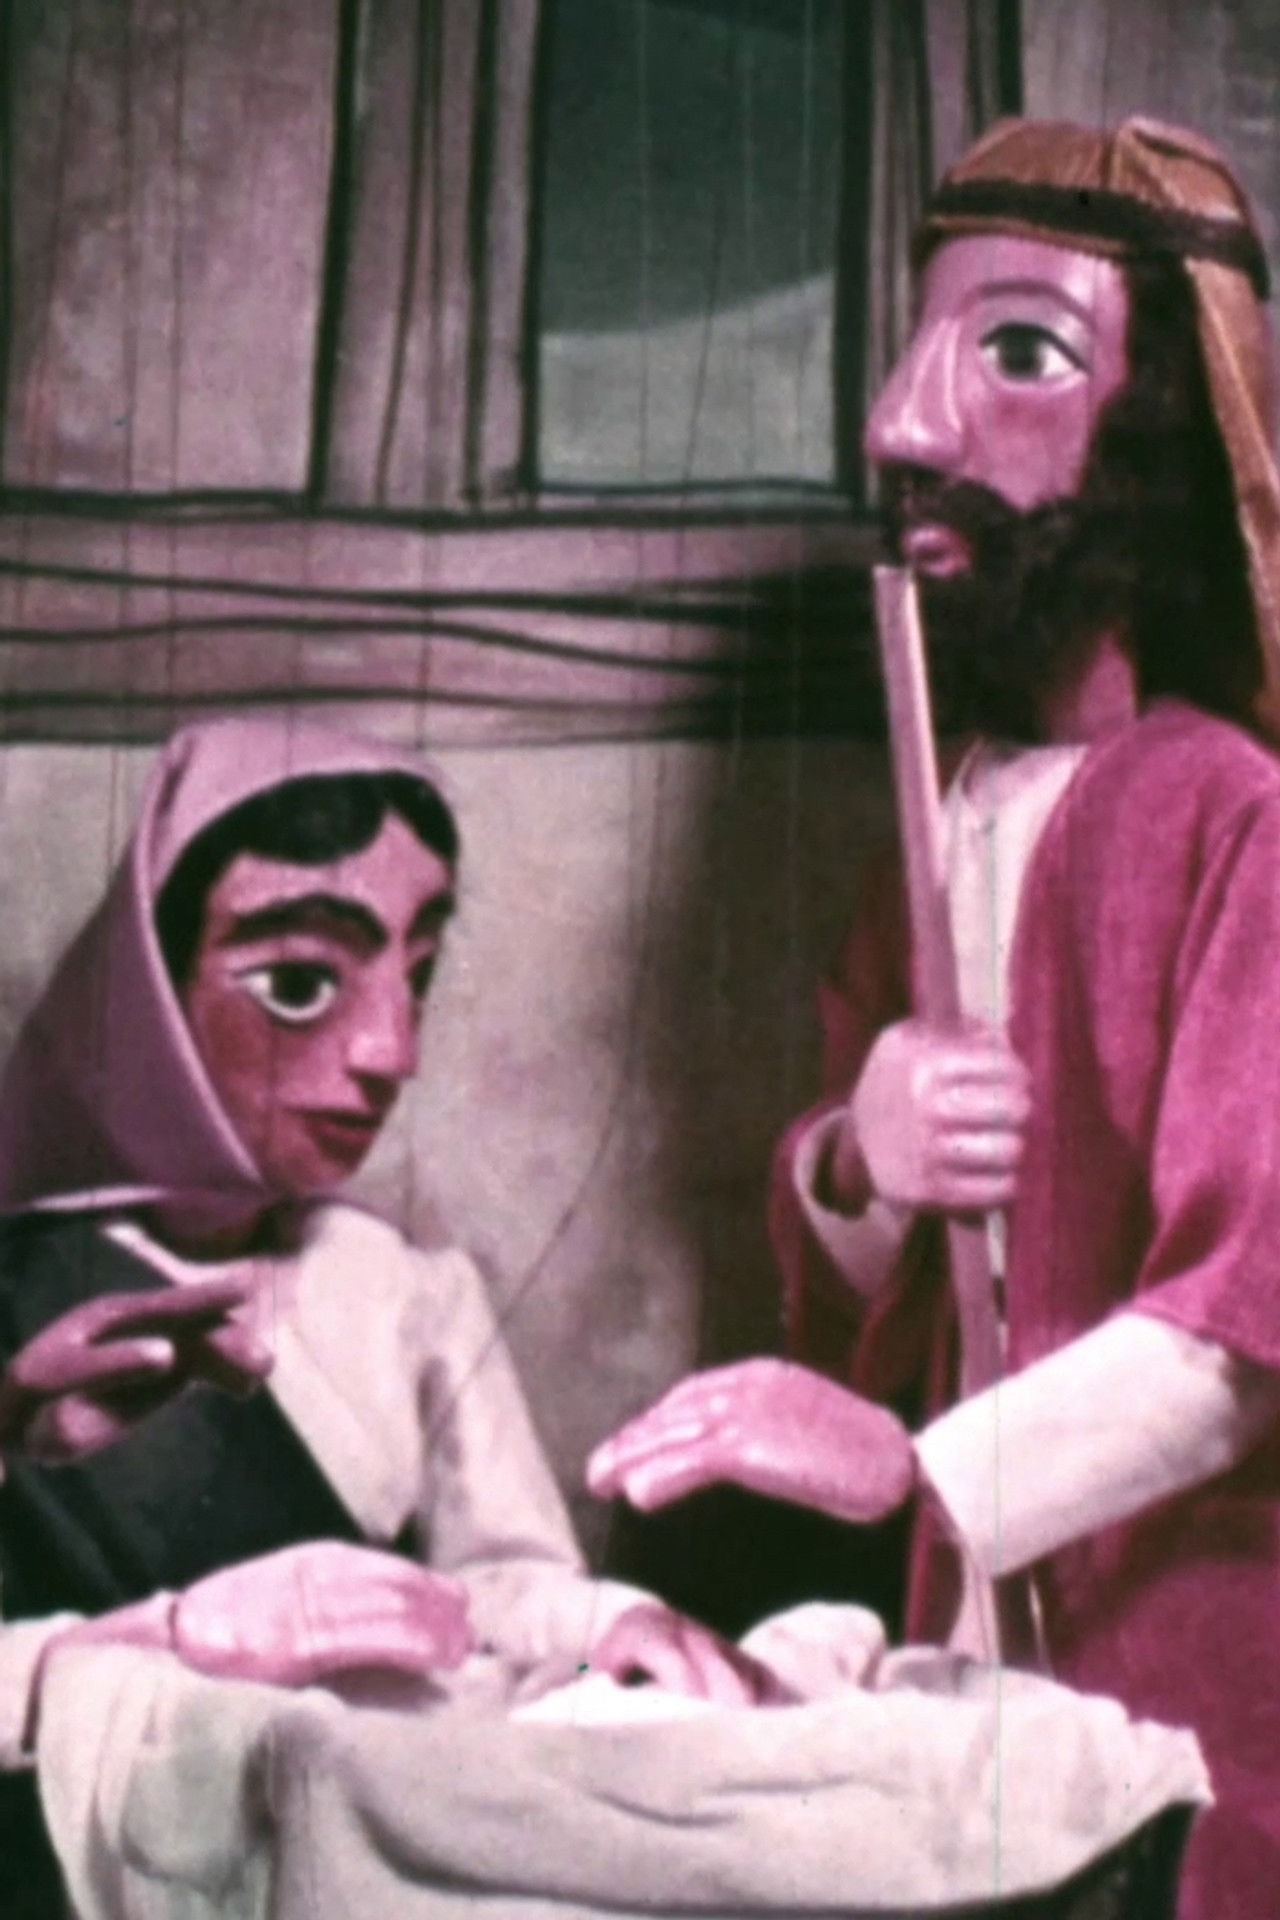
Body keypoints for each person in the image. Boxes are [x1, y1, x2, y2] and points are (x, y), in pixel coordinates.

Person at [589, 117, 1280, 1917]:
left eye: (1019, 354)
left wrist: (919, 1467)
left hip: (1200, 1687)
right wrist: (861, 1159)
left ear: (1163, 441)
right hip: (961, 1656)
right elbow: (853, 1292)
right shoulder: (940, 807)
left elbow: (1244, 1332)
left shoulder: (1235, 819)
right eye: (916, 351)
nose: (905, 424)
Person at [0, 715, 765, 1917]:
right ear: (145, 993)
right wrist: (172, 1640)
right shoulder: (19, 1294)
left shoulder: (405, 1291)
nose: (391, 1052)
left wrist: (611, 1623)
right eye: (302, 983)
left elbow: (495, 1586)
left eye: (417, 976)